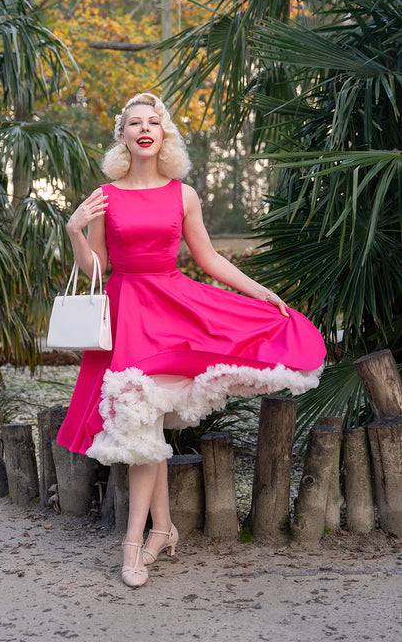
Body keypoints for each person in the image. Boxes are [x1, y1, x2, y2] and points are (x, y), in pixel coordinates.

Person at [57, 92, 325, 588]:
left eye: (153, 122)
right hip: (125, 315)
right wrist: (75, 229)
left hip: (172, 311)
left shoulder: (183, 195)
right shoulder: (105, 196)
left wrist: (261, 292)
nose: (144, 129)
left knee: (147, 424)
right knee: (143, 422)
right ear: (122, 136)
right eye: (134, 123)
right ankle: (158, 531)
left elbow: (210, 259)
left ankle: (138, 542)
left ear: (164, 135)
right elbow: (96, 267)